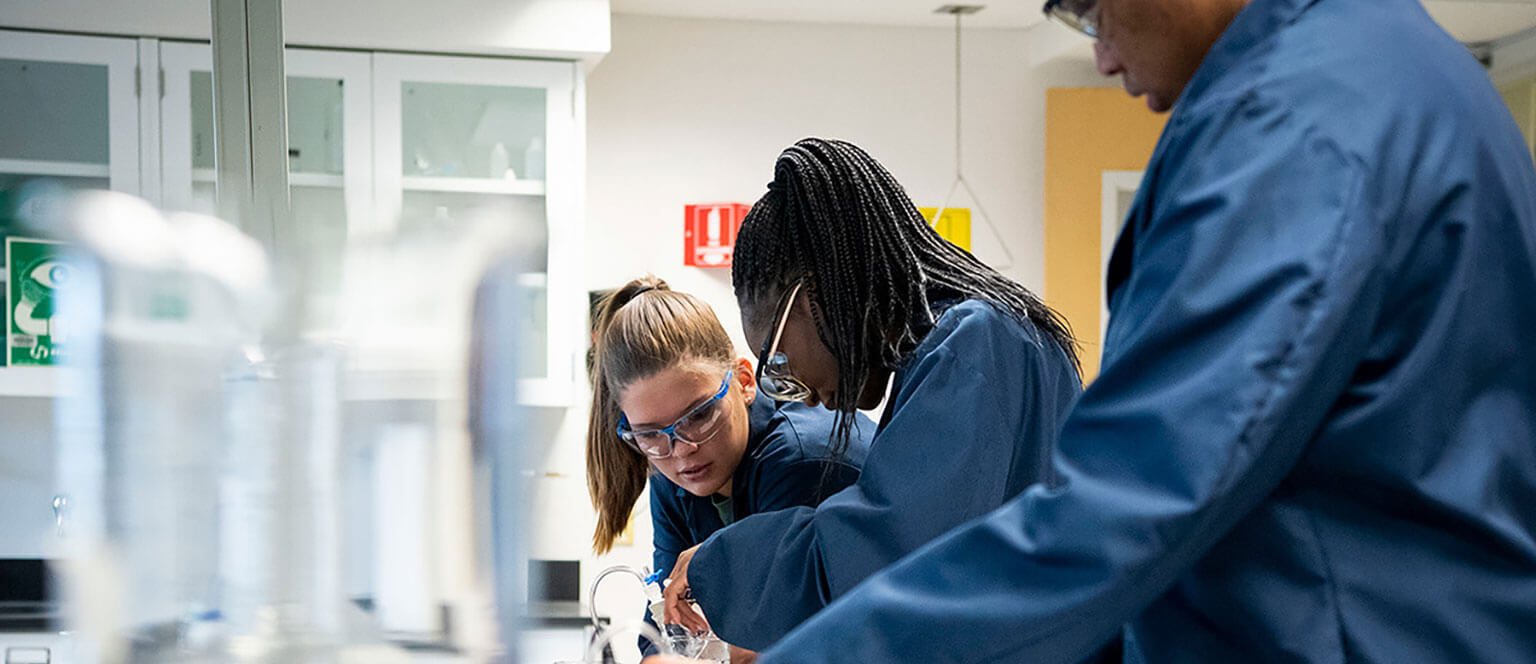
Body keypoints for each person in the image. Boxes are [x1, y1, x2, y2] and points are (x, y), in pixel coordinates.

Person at [649, 0, 1536, 661]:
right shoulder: (1387, 71)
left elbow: (1118, 511)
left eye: (1088, 6)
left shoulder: (1298, 125)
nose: (1102, 54)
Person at [659, 138, 1086, 652]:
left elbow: (887, 557)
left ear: (813, 295)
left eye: (777, 361)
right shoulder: (977, 342)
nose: (803, 397)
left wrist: (718, 565)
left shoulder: (971, 345)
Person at [586, 276, 873, 661]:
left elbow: (791, 643)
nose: (683, 450)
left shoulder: (805, 461)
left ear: (743, 381)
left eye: (700, 414)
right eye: (651, 434)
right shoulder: (675, 479)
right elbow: (666, 633)